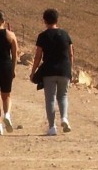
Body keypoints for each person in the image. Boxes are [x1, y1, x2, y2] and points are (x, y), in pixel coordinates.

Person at [30, 8, 74, 136]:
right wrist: (70, 69)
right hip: (64, 70)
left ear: (44, 20)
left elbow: (38, 56)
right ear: (57, 19)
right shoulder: (65, 34)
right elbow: (71, 53)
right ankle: (64, 118)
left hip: (49, 71)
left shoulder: (43, 36)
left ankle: (52, 127)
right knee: (63, 96)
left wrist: (33, 71)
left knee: (50, 99)